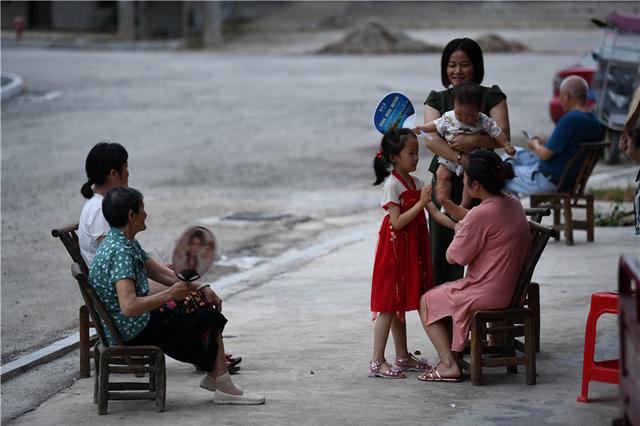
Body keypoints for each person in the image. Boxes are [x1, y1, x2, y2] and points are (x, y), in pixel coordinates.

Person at [89, 187, 264, 404]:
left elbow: (161, 273)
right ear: (131, 215)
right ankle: (222, 384)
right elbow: (129, 306)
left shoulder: (123, 242)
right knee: (204, 313)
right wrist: (170, 295)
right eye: (142, 209)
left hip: (128, 324)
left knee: (198, 301)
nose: (146, 214)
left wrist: (201, 288)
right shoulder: (121, 252)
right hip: (130, 329)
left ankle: (216, 377)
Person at [78, 141, 241, 371]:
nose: (128, 172)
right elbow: (122, 274)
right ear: (113, 174)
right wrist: (173, 292)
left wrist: (198, 285)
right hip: (119, 295)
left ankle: (212, 360)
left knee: (188, 289)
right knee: (191, 302)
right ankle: (212, 362)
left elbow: (141, 262)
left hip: (122, 286)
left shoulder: (117, 226)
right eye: (125, 167)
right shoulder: (107, 222)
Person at [416, 150, 530, 382]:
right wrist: (444, 205)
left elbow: (452, 258)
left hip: (488, 292)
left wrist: (459, 230)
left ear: (475, 185)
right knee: (444, 295)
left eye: (465, 178)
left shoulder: (481, 215)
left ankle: (449, 364)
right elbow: (477, 218)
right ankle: (454, 354)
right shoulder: (512, 202)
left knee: (427, 301)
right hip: (512, 289)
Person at [423, 37, 511, 286]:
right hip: (446, 181)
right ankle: (445, 313)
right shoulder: (437, 99)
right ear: (445, 67)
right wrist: (462, 158)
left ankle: (483, 301)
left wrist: (472, 142)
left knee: (486, 248)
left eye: (464, 64)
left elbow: (503, 135)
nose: (457, 71)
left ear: (476, 66)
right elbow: (430, 140)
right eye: (452, 65)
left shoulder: (492, 96)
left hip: (485, 183)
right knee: (444, 250)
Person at [368, 128, 433, 379]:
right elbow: (396, 222)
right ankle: (376, 361)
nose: (416, 158)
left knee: (398, 304)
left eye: (418, 153)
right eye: (411, 153)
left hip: (410, 251)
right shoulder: (392, 184)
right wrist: (421, 203)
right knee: (387, 305)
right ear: (394, 157)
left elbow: (426, 214)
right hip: (393, 251)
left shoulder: (416, 183)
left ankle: (403, 356)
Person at [415, 81, 515, 220]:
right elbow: (434, 125)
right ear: (454, 107)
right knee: (441, 174)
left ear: (478, 109)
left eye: (469, 115)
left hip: (473, 157)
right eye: (460, 114)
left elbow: (497, 132)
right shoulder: (449, 117)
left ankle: (462, 207)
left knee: (469, 180)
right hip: (450, 155)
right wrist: (421, 128)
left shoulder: (483, 120)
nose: (464, 118)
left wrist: (506, 145)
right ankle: (446, 201)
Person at [503, 75, 604, 196]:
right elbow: (569, 147)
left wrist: (534, 144)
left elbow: (544, 154)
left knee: (499, 177)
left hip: (548, 180)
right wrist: (546, 142)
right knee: (514, 153)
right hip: (567, 178)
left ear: (566, 96)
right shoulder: (594, 121)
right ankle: (508, 169)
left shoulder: (571, 119)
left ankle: (511, 212)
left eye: (561, 97)